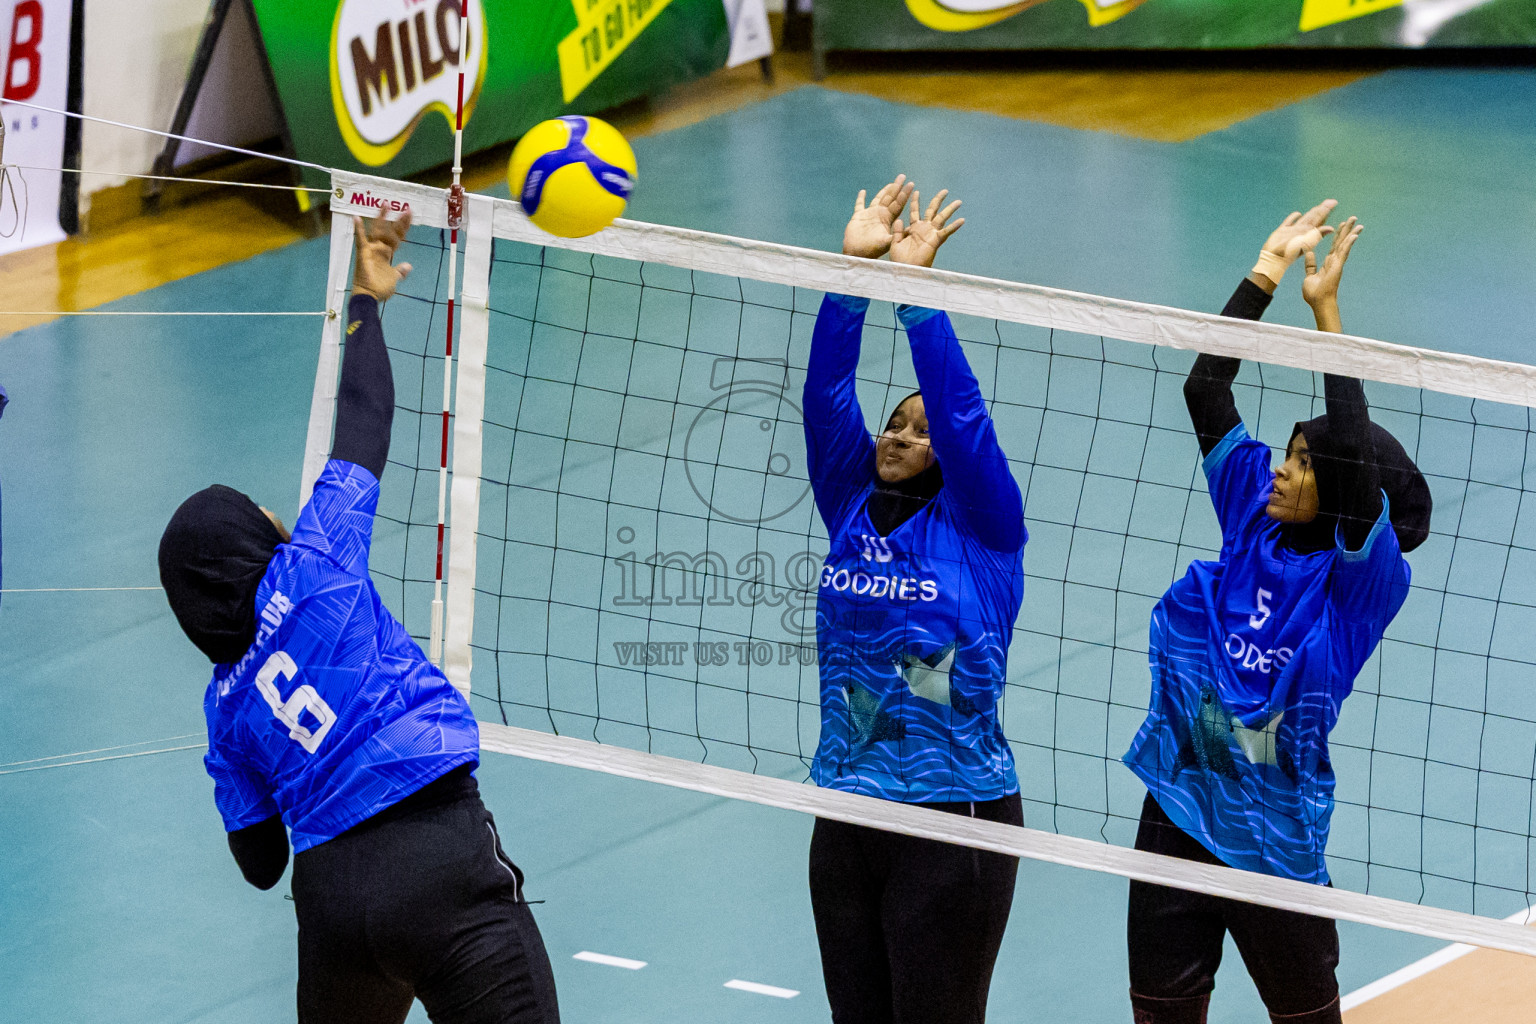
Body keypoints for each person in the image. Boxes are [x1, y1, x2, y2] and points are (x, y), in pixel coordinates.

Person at [158, 210, 560, 1024]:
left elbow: (260, 862)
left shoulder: (222, 708)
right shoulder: (314, 565)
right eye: (262, 512)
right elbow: (366, 419)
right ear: (255, 544)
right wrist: (367, 300)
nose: (278, 514)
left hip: (334, 904)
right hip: (440, 857)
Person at [1121, 201, 1433, 1024]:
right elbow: (1205, 384)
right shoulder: (1251, 511)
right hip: (1178, 805)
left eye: (1301, 464)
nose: (1280, 473)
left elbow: (1357, 466)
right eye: (1286, 456)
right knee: (1159, 1010)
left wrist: (1327, 316)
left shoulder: (1361, 581)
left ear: (1338, 489)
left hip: (1272, 837)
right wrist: (1264, 270)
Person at [803, 176, 1028, 1024]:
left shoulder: (986, 527)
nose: (901, 434)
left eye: (919, 429)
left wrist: (916, 296)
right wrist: (854, 274)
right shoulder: (850, 502)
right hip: (846, 806)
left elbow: (964, 419)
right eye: (896, 423)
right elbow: (826, 398)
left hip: (955, 817)